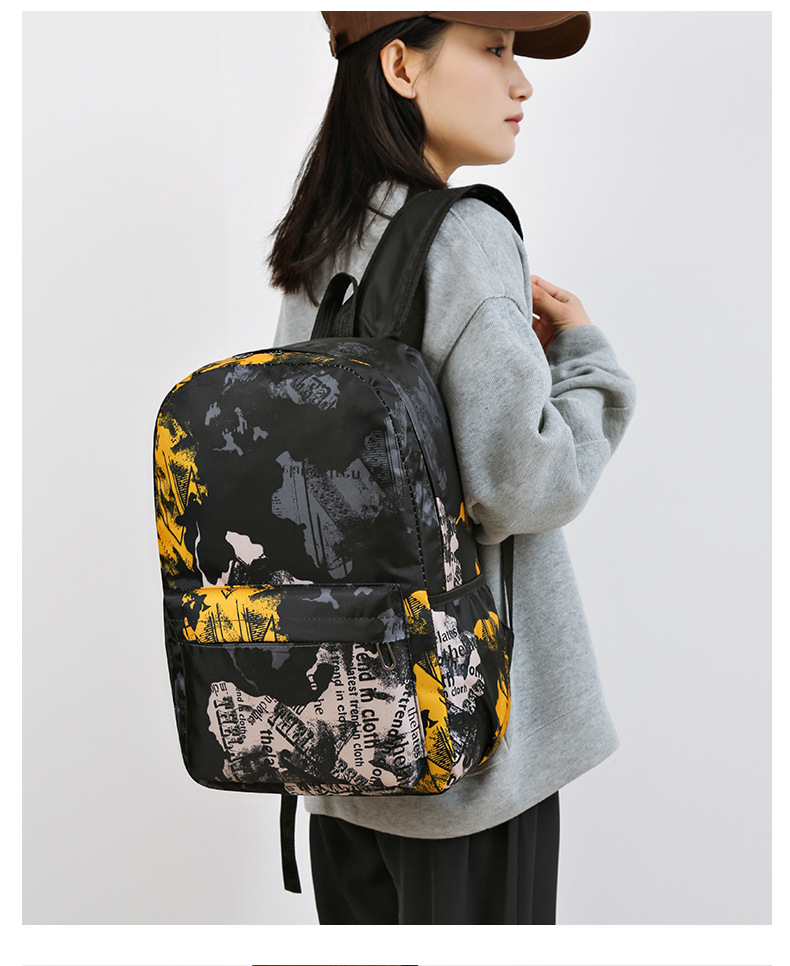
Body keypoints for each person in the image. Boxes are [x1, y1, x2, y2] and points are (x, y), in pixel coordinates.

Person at [267, 11, 636, 925]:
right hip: (471, 757)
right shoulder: (465, 235)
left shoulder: (320, 237)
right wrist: (586, 364)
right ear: (400, 64)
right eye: (495, 49)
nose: (522, 83)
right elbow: (525, 484)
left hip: (345, 746)